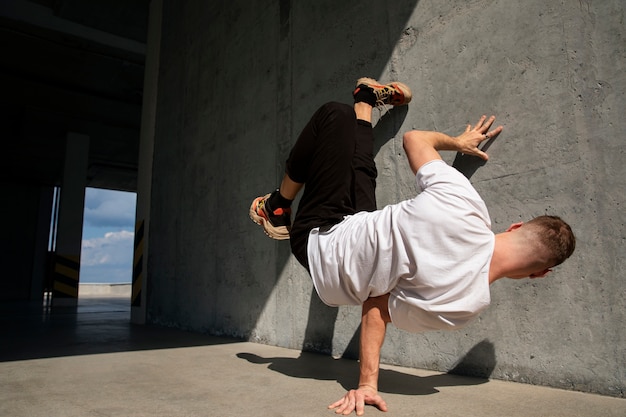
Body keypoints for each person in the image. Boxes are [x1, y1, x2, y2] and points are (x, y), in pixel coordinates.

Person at [249, 78, 576, 416]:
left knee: (333, 116)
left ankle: (276, 206)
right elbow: (379, 307)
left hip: (320, 242)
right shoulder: (467, 304)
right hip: (357, 233)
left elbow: (414, 139)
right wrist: (367, 386)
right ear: (538, 274)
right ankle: (365, 101)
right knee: (361, 168)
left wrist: (458, 144)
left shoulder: (466, 201)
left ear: (516, 226)